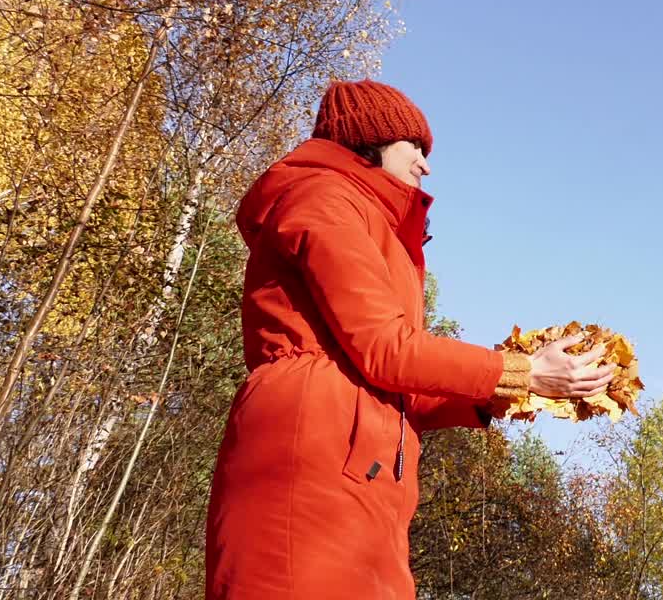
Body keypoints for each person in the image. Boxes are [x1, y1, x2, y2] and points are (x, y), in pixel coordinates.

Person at [204, 79, 614, 599]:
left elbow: (402, 386)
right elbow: (386, 349)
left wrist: (522, 386)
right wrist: (523, 370)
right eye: (415, 147)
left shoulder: (379, 229)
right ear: (370, 141)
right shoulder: (324, 199)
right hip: (306, 463)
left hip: (365, 476)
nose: (426, 165)